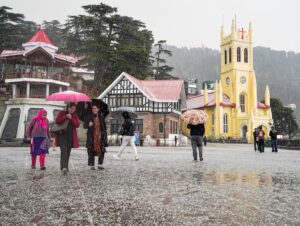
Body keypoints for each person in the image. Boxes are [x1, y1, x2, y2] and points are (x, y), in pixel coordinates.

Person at [55, 103, 80, 174]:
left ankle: (66, 166)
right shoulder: (62, 113)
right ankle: (64, 167)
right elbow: (57, 121)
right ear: (67, 107)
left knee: (68, 151)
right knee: (63, 151)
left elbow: (77, 124)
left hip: (70, 135)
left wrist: (71, 118)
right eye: (71, 108)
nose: (72, 110)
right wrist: (66, 117)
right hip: (61, 135)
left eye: (74, 109)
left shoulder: (74, 115)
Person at [84, 104, 108, 170]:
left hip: (100, 136)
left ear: (98, 109)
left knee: (101, 149)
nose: (94, 110)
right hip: (92, 136)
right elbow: (84, 126)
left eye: (95, 108)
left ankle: (100, 164)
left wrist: (104, 135)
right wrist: (88, 124)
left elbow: (104, 127)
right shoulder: (89, 116)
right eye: (93, 108)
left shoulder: (101, 117)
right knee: (91, 149)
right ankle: (92, 165)